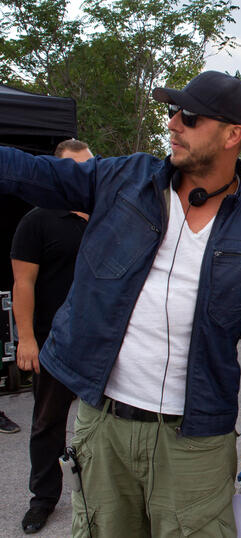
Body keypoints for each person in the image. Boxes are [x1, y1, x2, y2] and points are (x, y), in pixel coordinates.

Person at [0, 71, 241, 536]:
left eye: (190, 116)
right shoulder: (123, 178)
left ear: (233, 135)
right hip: (104, 423)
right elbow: (32, 172)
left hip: (197, 440)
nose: (174, 123)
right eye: (172, 112)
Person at [11, 139, 92, 534]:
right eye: (75, 169)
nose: (84, 177)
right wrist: (26, 340)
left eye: (89, 168)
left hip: (104, 344)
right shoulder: (37, 220)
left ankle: (104, 492)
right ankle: (43, 498)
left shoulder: (108, 215)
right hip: (53, 344)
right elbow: (23, 284)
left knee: (107, 424)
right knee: (48, 423)